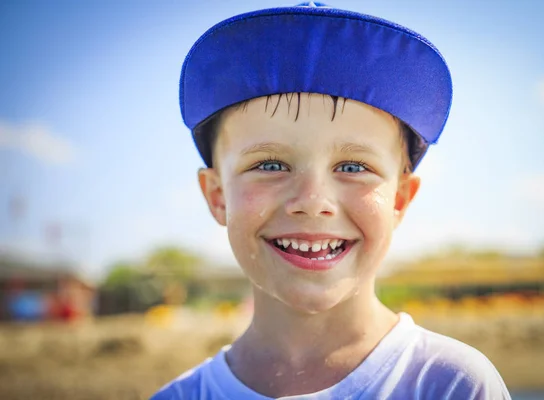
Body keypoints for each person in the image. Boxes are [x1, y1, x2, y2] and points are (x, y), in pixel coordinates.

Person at [152, 2, 511, 399]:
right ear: (217, 196)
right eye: (270, 164)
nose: (312, 201)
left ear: (400, 200)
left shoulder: (450, 385)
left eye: (354, 167)